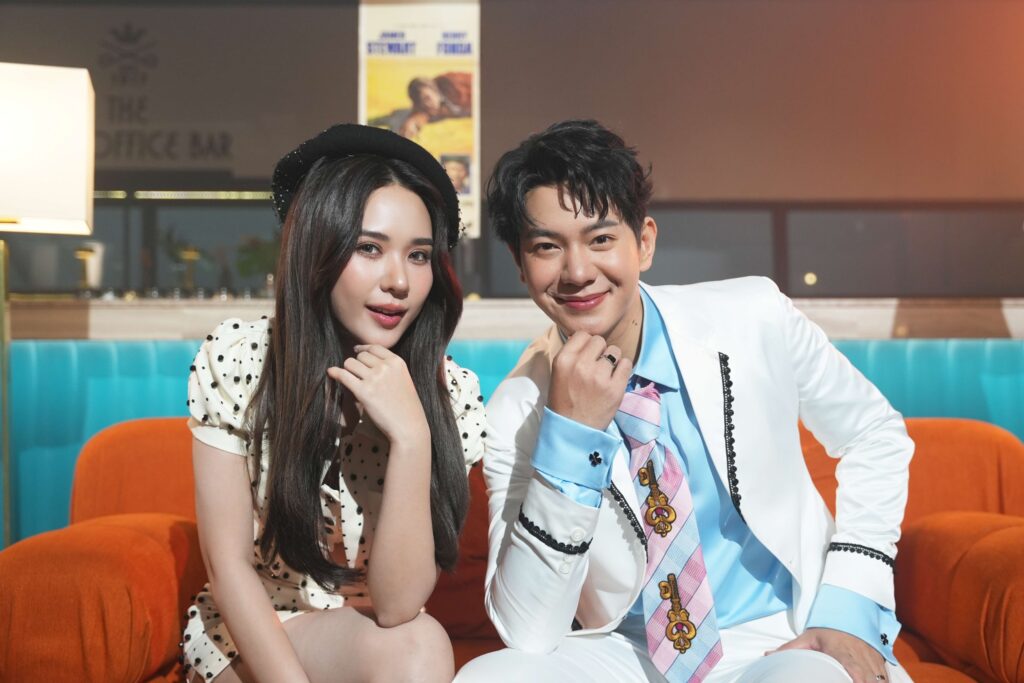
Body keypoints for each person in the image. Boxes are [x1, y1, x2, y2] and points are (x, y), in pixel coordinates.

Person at [458, 120, 914, 683]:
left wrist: (847, 611)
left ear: (644, 242)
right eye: (548, 247)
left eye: (601, 240)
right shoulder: (515, 410)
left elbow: (874, 434)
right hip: (629, 653)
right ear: (520, 263)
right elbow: (527, 631)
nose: (577, 272)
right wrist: (570, 435)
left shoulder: (752, 316)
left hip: (783, 633)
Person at [182, 124, 485, 683]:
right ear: (317, 248)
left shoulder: (455, 393)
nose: (399, 281)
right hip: (253, 631)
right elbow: (228, 569)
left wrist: (412, 437)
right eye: (369, 248)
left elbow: (397, 607)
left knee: (418, 644)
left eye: (419, 255)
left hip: (368, 639)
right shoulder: (239, 358)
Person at [398, 72, 472, 138]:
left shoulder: (454, 83)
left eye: (427, 98)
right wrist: (411, 124)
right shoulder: (425, 105)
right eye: (422, 103)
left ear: (434, 89)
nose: (427, 105)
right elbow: (416, 117)